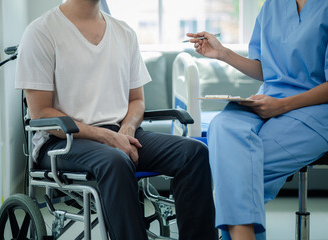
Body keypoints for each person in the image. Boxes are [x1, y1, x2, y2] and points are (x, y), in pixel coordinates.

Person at [15, 0, 217, 239]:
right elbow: (41, 113)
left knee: (194, 153)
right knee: (116, 160)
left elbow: (137, 101)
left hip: (121, 133)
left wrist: (127, 129)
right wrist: (108, 137)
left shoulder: (124, 33)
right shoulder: (41, 32)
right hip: (62, 140)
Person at [187, 0, 328, 239]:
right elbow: (265, 69)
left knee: (237, 169)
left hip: (321, 108)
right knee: (222, 125)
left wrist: (283, 105)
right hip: (269, 98)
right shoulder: (272, 5)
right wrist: (223, 53)